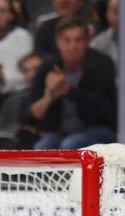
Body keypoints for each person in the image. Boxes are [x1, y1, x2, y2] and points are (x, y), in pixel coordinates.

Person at [25, 16, 116, 149]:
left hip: (98, 129)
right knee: (42, 148)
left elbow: (104, 111)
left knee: (70, 145)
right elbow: (29, 115)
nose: (73, 46)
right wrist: (49, 96)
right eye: (67, 40)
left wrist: (69, 91)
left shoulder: (101, 64)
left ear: (87, 41)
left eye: (78, 40)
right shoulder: (48, 66)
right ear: (58, 42)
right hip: (60, 132)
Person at [0, 0, 34, 95]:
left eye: (2, 11)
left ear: (11, 16)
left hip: (16, 94)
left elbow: (25, 73)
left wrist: (3, 79)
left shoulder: (22, 36)